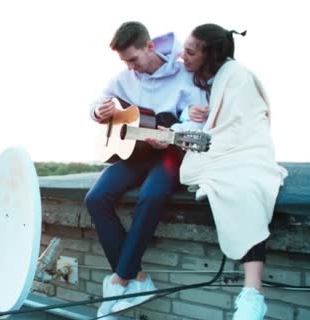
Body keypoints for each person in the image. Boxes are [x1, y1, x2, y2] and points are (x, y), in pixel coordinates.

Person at [85, 21, 207, 317]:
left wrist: (174, 130)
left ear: (149, 46)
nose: (130, 66)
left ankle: (119, 280)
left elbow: (197, 120)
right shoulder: (126, 76)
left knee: (151, 197)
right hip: (134, 153)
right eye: (125, 61)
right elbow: (99, 100)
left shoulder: (185, 74)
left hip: (171, 152)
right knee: (95, 198)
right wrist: (98, 111)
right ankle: (139, 278)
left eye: (133, 59)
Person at [180, 23, 288, 320]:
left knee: (242, 186)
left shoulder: (237, 76)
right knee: (192, 173)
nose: (183, 57)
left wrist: (218, 140)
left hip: (247, 151)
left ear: (210, 53)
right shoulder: (207, 78)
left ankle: (252, 291)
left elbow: (245, 124)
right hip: (225, 149)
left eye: (190, 52)